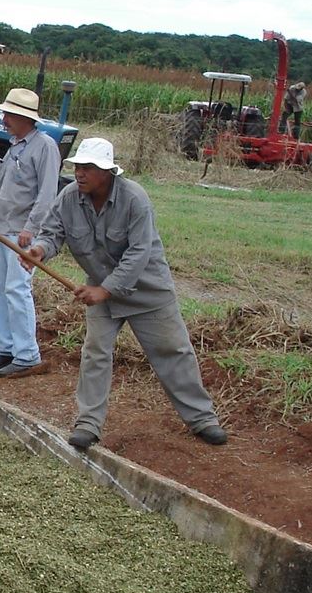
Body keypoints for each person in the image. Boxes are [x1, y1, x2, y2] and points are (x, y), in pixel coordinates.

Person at [20, 137, 226, 451]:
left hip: (147, 291)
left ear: (108, 172)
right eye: (78, 167)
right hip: (100, 289)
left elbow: (139, 252)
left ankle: (201, 419)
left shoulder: (135, 199)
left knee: (173, 352)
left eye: (89, 168)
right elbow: (53, 234)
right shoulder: (68, 198)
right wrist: (39, 250)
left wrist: (105, 290)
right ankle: (88, 424)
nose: (80, 173)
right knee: (96, 353)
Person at [0, 88, 60, 378]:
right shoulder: (14, 146)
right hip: (2, 229)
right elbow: (2, 191)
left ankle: (27, 354)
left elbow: (47, 193)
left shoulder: (45, 147)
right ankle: (5, 348)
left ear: (23, 117)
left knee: (17, 289)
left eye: (8, 115)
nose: (4, 119)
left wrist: (31, 228)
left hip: (22, 234)